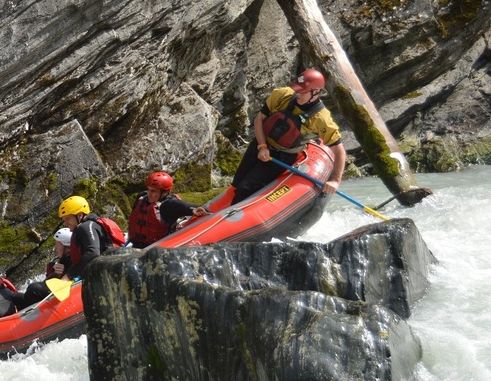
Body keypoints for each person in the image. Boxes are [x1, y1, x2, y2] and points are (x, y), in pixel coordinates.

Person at [230, 68, 347, 204]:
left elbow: (339, 151)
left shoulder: (322, 119)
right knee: (237, 182)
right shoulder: (281, 94)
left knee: (246, 187)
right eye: (297, 90)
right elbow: (259, 120)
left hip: (282, 156)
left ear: (316, 92)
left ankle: (233, 216)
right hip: (260, 144)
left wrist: (335, 181)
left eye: (302, 92)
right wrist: (262, 146)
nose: (298, 94)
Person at [127, 171, 206, 248]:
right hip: (136, 246)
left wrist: (194, 210)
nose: (149, 194)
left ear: (165, 193)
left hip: (158, 249)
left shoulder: (168, 205)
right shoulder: (141, 197)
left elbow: (188, 207)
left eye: (154, 191)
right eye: (149, 189)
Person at [57, 195, 124, 281]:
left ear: (80, 215)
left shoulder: (85, 227)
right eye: (64, 219)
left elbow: (93, 252)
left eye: (68, 218)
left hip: (107, 274)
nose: (65, 223)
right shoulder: (90, 225)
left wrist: (68, 276)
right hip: (109, 270)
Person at [13, 227, 74, 309]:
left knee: (33, 288)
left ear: (68, 249)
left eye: (58, 244)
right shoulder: (61, 260)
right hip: (44, 292)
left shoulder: (72, 261)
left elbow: (72, 280)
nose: (55, 247)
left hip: (55, 295)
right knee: (13, 296)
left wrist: (61, 275)